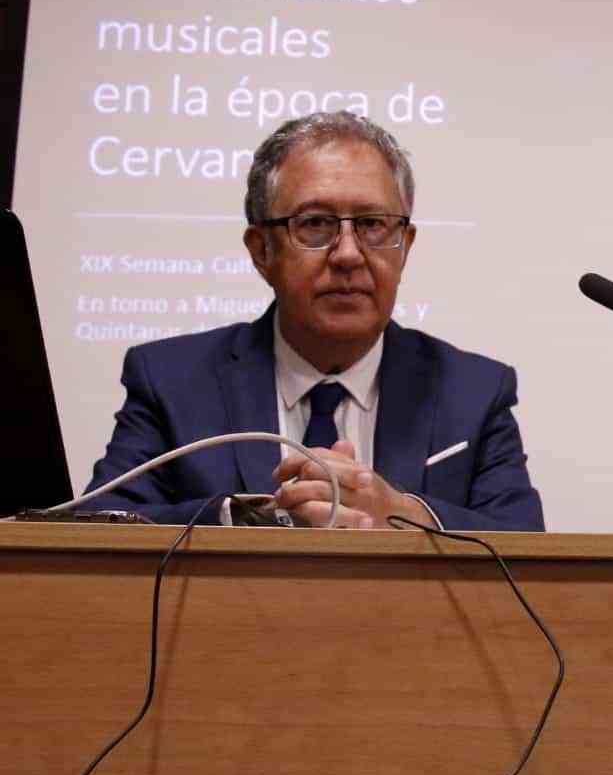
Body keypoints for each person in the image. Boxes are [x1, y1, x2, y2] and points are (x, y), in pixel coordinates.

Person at [83, 112, 544, 531]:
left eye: (372, 225)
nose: (347, 253)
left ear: (405, 245)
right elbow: (97, 526)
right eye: (316, 224)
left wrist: (403, 515)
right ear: (262, 250)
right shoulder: (173, 380)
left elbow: (527, 550)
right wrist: (255, 517)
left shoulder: (474, 391)